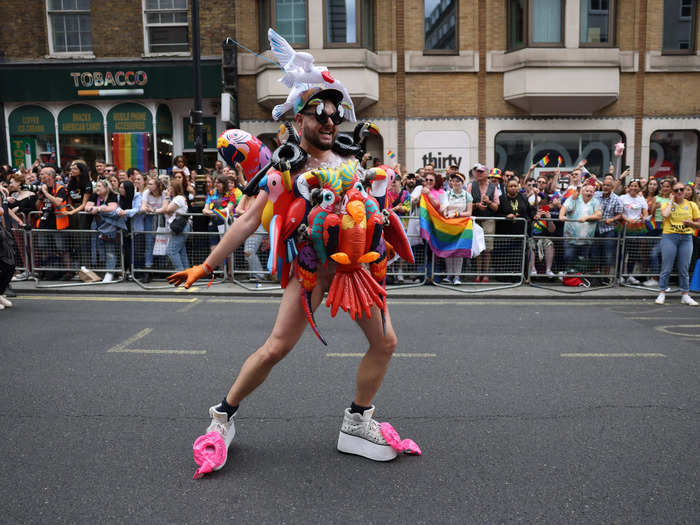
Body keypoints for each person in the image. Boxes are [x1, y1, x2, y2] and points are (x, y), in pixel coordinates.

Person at [168, 73, 411, 471]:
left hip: (358, 270)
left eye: (334, 114)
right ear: (299, 121)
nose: (329, 121)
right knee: (276, 347)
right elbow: (247, 222)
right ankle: (222, 416)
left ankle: (356, 421)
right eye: (319, 114)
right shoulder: (284, 170)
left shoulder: (349, 161)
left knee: (385, 343)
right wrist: (206, 265)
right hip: (311, 271)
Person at [654, 182, 700, 306]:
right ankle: (662, 292)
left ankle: (685, 294)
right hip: (670, 237)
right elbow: (665, 214)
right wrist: (670, 201)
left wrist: (691, 224)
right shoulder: (666, 204)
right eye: (676, 190)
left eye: (681, 189)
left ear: (685, 191)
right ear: (672, 193)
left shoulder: (692, 205)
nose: (679, 192)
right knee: (666, 266)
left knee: (684, 267)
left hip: (686, 238)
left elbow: (698, 223)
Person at [85, 179, 125, 283]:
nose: (96, 188)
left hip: (109, 227)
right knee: (97, 248)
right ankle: (100, 271)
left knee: (110, 250)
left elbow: (113, 208)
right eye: (96, 186)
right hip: (96, 224)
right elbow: (87, 207)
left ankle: (109, 272)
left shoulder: (112, 195)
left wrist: (98, 209)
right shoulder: (94, 195)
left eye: (99, 186)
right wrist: (99, 208)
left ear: (106, 188)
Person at [559, 183, 602, 271]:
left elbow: (599, 215)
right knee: (568, 257)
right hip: (571, 238)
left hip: (586, 239)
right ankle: (568, 276)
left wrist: (587, 218)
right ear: (582, 191)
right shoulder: (574, 198)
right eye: (587, 191)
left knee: (583, 261)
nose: (589, 193)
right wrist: (561, 215)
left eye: (591, 191)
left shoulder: (595, 202)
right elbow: (564, 207)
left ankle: (580, 278)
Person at [467, 164, 499, 282]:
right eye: (477, 171)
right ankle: (478, 274)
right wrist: (477, 205)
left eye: (481, 171)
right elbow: (467, 204)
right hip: (475, 220)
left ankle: (485, 274)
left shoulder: (493, 187)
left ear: (486, 174)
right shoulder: (471, 186)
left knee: (488, 249)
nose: (478, 174)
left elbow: (496, 207)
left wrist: (488, 202)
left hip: (489, 220)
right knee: (478, 248)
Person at [441, 172, 472, 284]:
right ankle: (449, 276)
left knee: (459, 250)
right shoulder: (446, 194)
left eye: (458, 181)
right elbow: (444, 209)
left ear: (462, 183)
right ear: (451, 182)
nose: (456, 183)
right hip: (449, 225)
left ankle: (457, 277)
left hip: (462, 225)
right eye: (454, 181)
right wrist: (445, 214)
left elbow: (469, 212)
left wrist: (457, 214)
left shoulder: (467, 195)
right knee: (449, 250)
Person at [593, 175, 624, 282]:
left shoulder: (617, 199)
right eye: (604, 185)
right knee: (595, 253)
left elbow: (620, 215)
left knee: (608, 255)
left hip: (608, 230)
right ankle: (596, 276)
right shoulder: (595, 195)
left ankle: (606, 277)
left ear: (612, 187)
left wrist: (612, 219)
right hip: (595, 229)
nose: (605, 187)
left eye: (608, 185)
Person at [618, 179, 649, 285]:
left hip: (638, 228)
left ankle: (630, 275)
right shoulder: (622, 198)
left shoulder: (641, 199)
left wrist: (643, 218)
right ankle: (619, 275)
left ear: (639, 188)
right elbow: (619, 212)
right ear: (628, 187)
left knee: (633, 253)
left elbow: (645, 213)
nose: (633, 188)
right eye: (632, 185)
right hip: (625, 227)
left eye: (636, 186)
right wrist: (627, 220)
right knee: (622, 252)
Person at [157, 179, 190, 271]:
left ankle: (180, 272)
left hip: (181, 227)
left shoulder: (179, 198)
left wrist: (166, 198)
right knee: (181, 251)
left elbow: (167, 210)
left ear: (174, 188)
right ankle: (187, 273)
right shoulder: (177, 198)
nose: (168, 189)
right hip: (179, 227)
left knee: (171, 251)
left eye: (170, 187)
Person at [139, 176, 166, 282]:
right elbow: (143, 207)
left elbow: (165, 207)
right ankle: (148, 269)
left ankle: (162, 268)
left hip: (162, 219)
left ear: (156, 186)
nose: (148, 185)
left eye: (151, 184)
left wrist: (153, 209)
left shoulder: (163, 193)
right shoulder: (146, 192)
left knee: (162, 241)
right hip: (149, 219)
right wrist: (150, 209)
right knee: (149, 243)